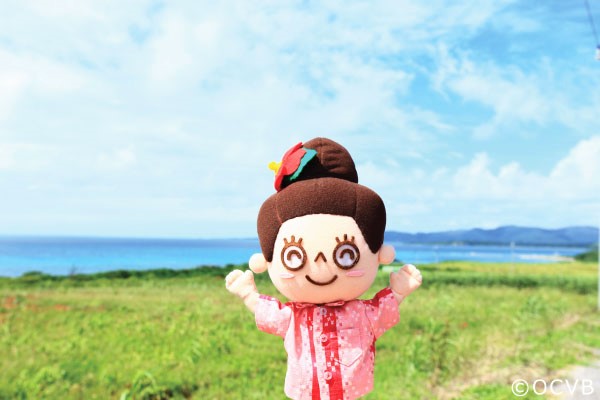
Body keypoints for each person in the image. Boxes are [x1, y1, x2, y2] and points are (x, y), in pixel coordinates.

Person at [225, 137, 422, 400]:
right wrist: (248, 294)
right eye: (294, 256)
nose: (319, 264)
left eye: (346, 255)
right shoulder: (293, 317)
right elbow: (269, 314)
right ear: (266, 261)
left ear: (379, 255)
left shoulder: (362, 314)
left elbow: (382, 312)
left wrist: (398, 292)